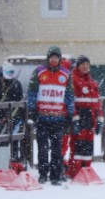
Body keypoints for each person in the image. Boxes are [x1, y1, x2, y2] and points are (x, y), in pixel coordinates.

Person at [26, 45, 75, 185]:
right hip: (42, 117)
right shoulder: (39, 72)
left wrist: (70, 113)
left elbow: (69, 95)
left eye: (56, 58)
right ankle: (43, 174)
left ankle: (55, 175)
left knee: (57, 149)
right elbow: (32, 92)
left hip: (58, 118)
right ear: (48, 58)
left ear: (60, 59)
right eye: (52, 58)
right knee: (42, 148)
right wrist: (32, 110)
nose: (54, 60)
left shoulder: (66, 74)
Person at [65, 55, 104, 179]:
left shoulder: (92, 82)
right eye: (83, 64)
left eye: (87, 64)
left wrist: (99, 119)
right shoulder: (73, 80)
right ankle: (75, 172)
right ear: (78, 66)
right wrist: (75, 118)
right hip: (80, 117)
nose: (85, 67)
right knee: (77, 146)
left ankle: (86, 170)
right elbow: (71, 101)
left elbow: (97, 103)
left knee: (88, 146)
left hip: (91, 119)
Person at [0, 61, 24, 163]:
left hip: (15, 116)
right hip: (2, 118)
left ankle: (14, 159)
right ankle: (1, 161)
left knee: (14, 138)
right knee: (3, 139)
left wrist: (17, 113)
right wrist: (1, 116)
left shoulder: (16, 84)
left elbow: (19, 100)